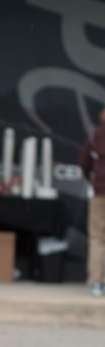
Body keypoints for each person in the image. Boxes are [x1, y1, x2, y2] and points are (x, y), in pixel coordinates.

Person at [78, 106, 105, 296]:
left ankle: (96, 282)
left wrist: (92, 179)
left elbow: (83, 161)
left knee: (97, 238)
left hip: (100, 190)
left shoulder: (96, 135)